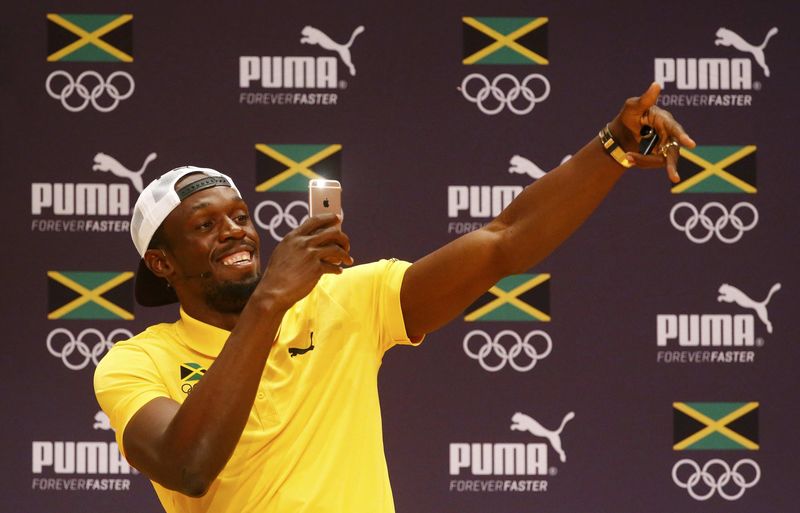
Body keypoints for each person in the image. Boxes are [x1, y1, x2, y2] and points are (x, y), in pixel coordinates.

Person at [94, 83, 694, 513]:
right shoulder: (136, 364)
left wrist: (610, 149)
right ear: (162, 262)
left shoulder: (344, 302)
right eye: (205, 225)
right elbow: (188, 467)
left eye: (241, 216)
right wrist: (269, 303)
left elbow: (502, 242)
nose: (235, 231)